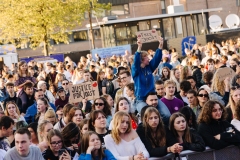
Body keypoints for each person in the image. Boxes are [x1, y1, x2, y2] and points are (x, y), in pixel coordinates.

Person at [132, 36, 163, 113]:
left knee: (166, 114)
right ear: (141, 60)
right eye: (146, 57)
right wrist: (139, 47)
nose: (149, 58)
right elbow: (136, 62)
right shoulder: (136, 70)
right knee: (147, 114)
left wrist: (160, 45)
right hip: (141, 98)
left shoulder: (149, 68)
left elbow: (157, 59)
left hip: (152, 96)